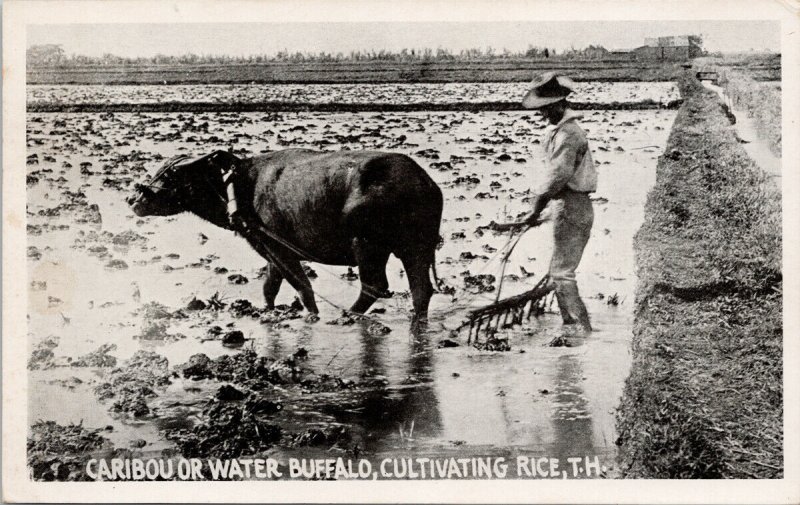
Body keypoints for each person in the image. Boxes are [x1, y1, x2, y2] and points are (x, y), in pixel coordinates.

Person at [495, 72, 597, 335]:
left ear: (559, 104)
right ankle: (573, 326)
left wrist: (535, 209)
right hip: (566, 204)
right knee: (560, 271)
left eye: (545, 108)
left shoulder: (569, 135)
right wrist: (542, 211)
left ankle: (579, 330)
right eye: (539, 109)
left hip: (572, 205)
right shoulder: (560, 131)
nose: (541, 114)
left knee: (562, 273)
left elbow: (556, 179)